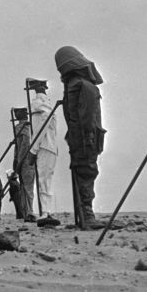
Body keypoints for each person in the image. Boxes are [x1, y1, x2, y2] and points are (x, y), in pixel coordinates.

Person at [55, 45, 106, 229]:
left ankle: (84, 216)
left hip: (81, 138)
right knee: (87, 172)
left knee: (83, 172)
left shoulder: (75, 85)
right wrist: (87, 139)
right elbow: (86, 117)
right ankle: (87, 215)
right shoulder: (83, 85)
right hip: (86, 138)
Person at [27, 79, 60, 225]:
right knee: (47, 180)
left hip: (43, 146)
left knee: (43, 180)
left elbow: (41, 128)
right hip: (51, 147)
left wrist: (33, 149)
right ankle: (48, 211)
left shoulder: (37, 104)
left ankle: (46, 212)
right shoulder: (48, 103)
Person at [12, 107, 37, 222]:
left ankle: (29, 212)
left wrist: (18, 160)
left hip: (26, 160)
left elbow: (24, 144)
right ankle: (26, 211)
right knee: (26, 187)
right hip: (27, 160)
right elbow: (19, 145)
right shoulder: (27, 126)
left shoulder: (22, 127)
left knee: (27, 186)